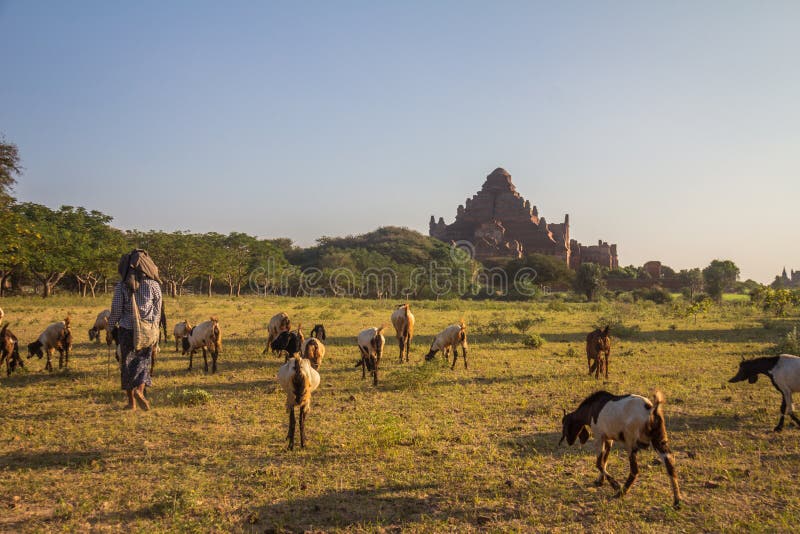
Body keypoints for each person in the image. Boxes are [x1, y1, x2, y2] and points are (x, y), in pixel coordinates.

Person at [108, 250, 163, 410]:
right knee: (143, 363)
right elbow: (157, 312)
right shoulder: (154, 286)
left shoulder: (121, 286)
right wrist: (155, 331)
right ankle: (140, 391)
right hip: (147, 331)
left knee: (126, 364)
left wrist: (110, 328)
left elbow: (116, 310)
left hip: (126, 330)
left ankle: (131, 403)